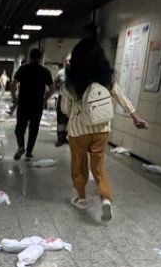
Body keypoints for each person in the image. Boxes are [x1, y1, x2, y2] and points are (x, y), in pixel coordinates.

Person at [61, 37, 148, 220]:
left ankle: (81, 198)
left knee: (79, 164)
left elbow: (65, 109)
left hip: (78, 131)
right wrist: (134, 116)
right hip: (102, 129)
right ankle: (105, 198)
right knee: (98, 166)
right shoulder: (106, 79)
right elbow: (120, 97)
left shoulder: (71, 81)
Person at [10, 49, 54, 161]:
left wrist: (15, 98)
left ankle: (21, 147)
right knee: (33, 130)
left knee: (20, 129)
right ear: (40, 58)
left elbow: (13, 84)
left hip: (23, 104)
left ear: (30, 57)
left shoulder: (23, 68)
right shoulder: (45, 71)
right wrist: (45, 99)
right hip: (37, 105)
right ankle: (29, 152)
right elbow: (52, 89)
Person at [55, 56, 71, 147]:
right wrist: (58, 87)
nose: (68, 62)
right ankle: (60, 138)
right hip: (62, 98)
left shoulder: (77, 72)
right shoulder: (61, 72)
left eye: (70, 61)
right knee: (61, 119)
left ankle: (67, 137)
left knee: (70, 119)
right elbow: (55, 82)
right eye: (67, 61)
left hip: (73, 100)